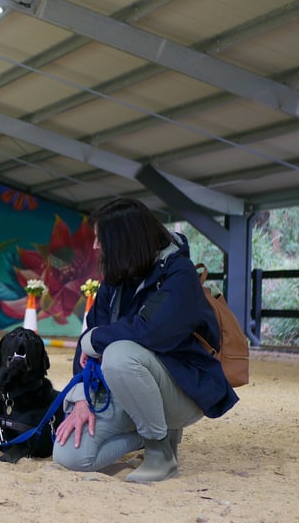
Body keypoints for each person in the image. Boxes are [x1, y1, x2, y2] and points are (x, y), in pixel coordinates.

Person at [52, 197, 239, 482]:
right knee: (70, 455)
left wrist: (97, 339)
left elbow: (150, 331)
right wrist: (81, 400)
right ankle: (146, 433)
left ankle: (159, 453)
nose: (95, 246)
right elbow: (87, 339)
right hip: (127, 386)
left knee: (118, 355)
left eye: (102, 239)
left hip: (183, 389)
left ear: (126, 239)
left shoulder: (179, 275)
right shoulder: (115, 280)